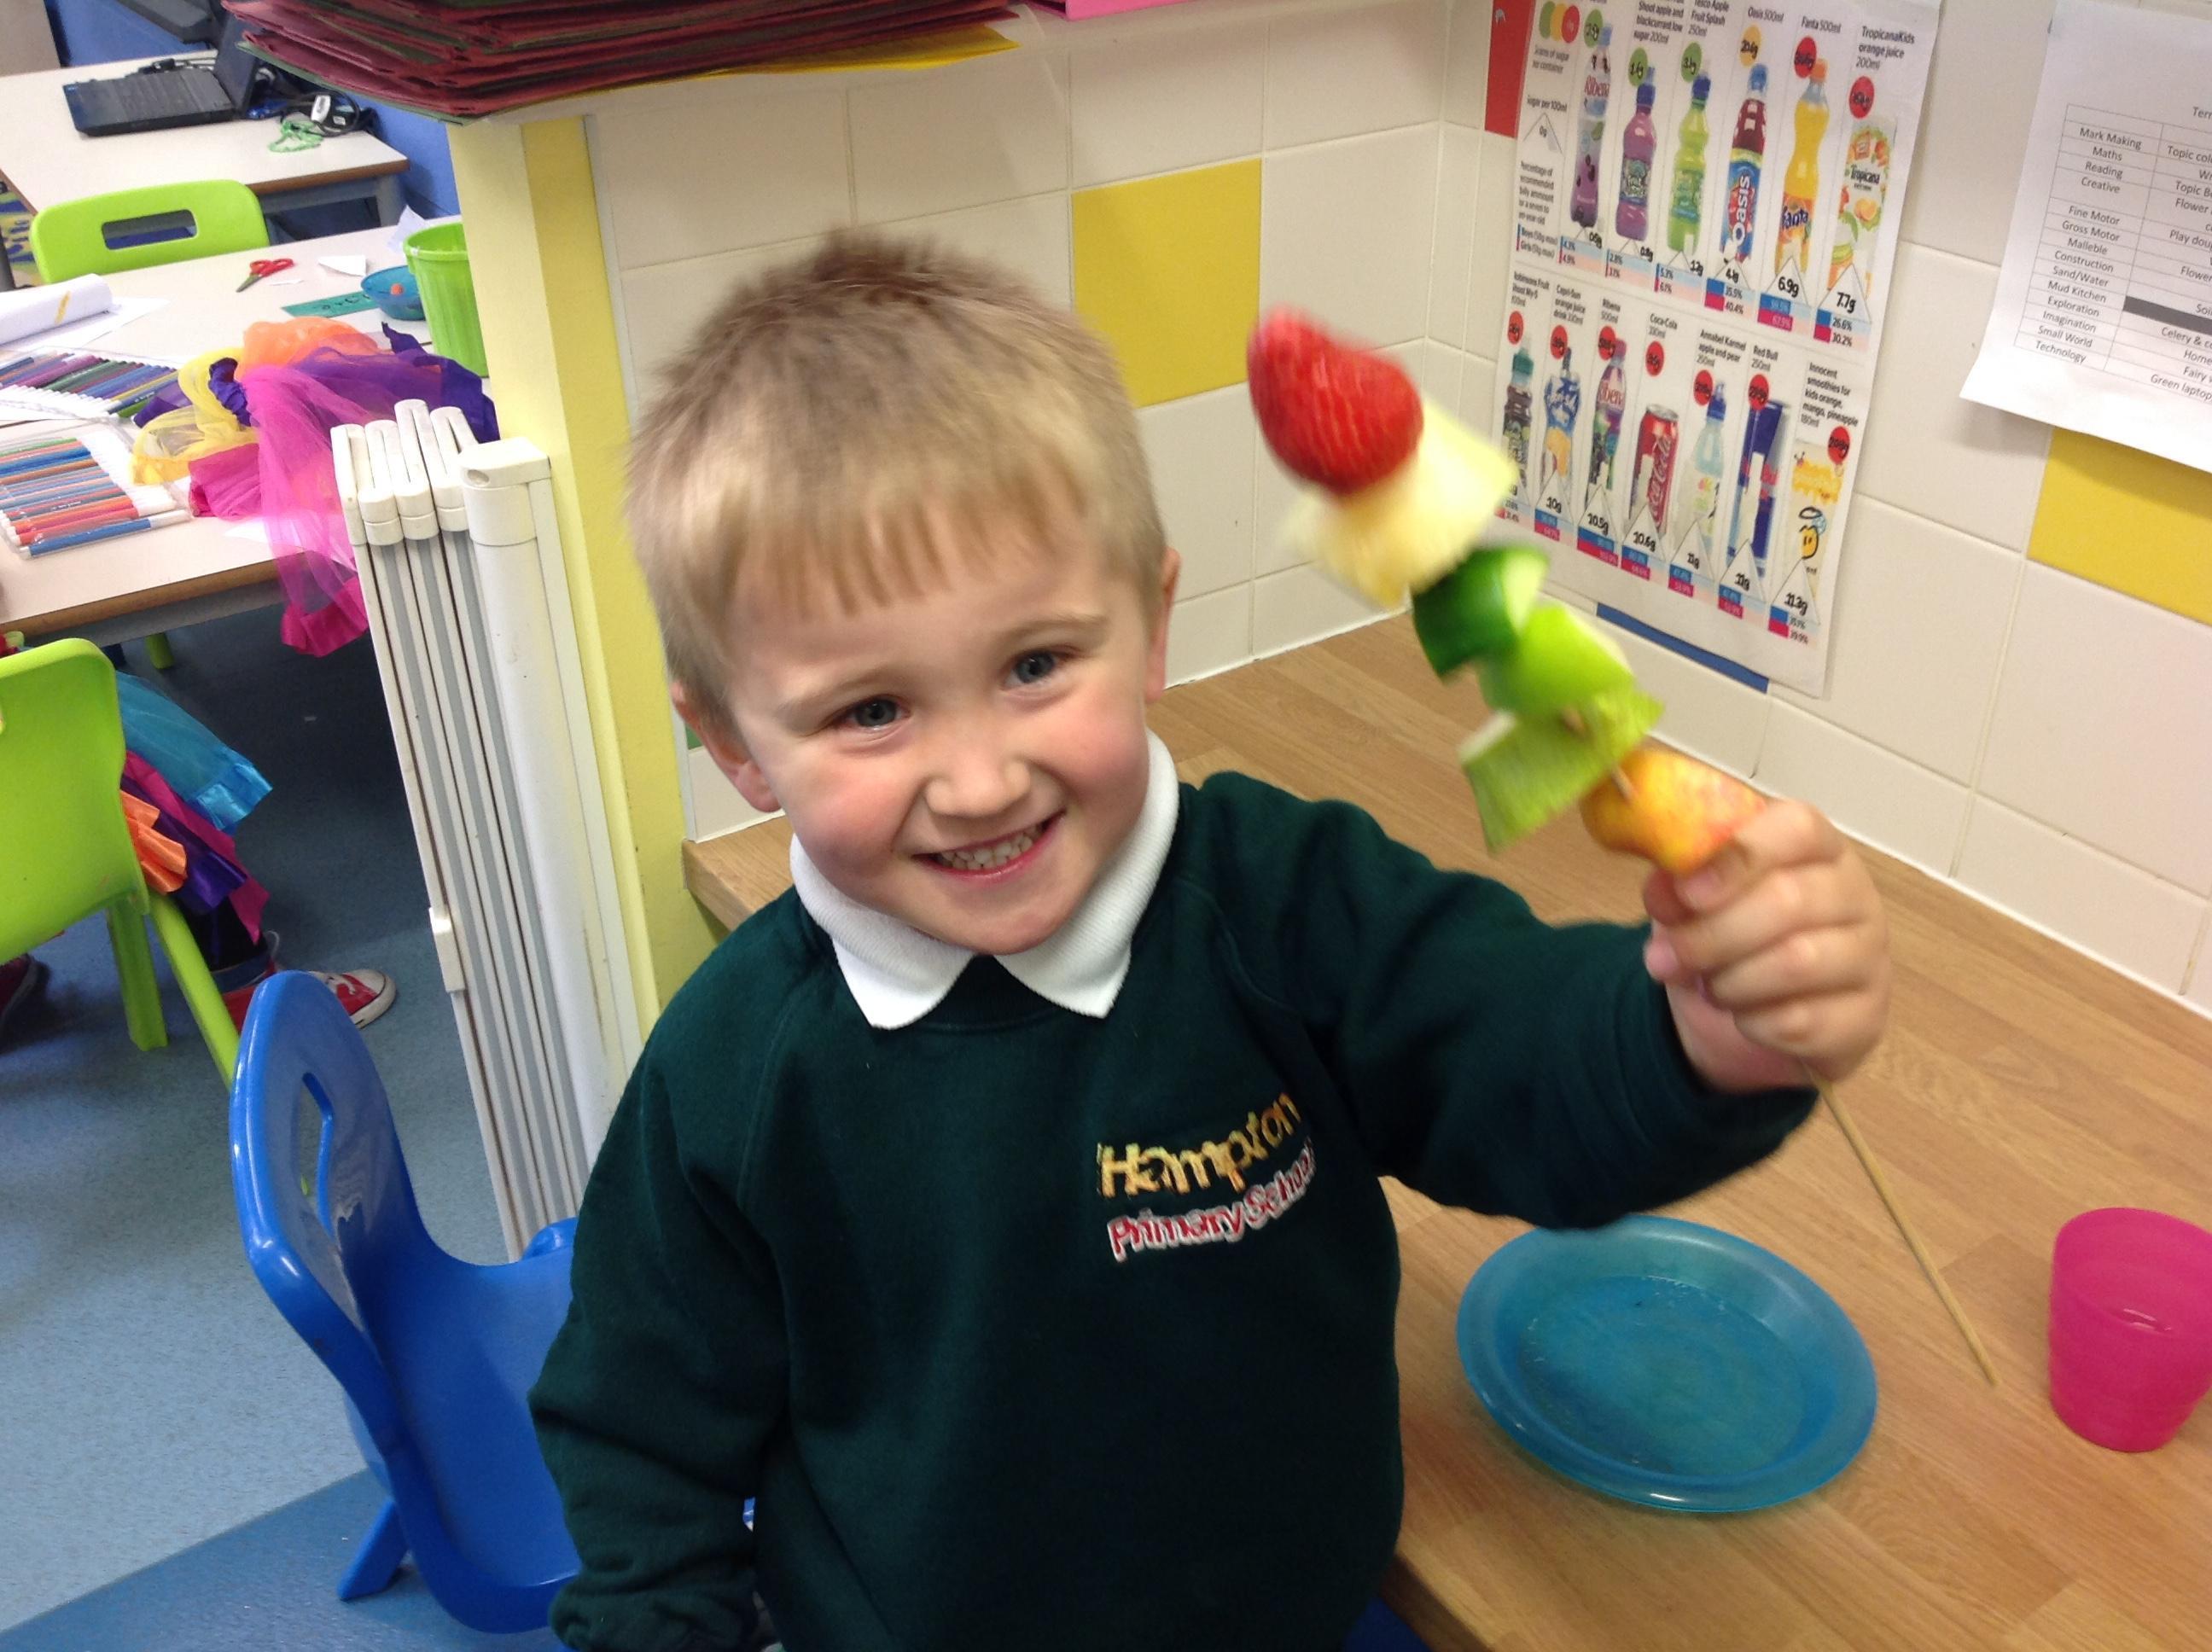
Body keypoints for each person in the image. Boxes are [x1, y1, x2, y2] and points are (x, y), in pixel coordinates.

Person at [529, 236, 1891, 1652]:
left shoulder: (1286, 904)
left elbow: (1525, 1057)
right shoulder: (733, 1071)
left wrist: (1700, 1037)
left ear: (1152, 626)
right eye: (872, 711)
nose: (981, 783)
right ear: (735, 743)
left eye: (1036, 664)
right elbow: (640, 1427)